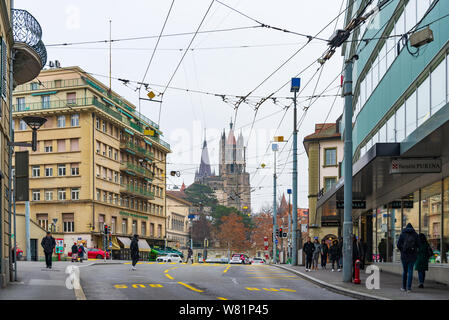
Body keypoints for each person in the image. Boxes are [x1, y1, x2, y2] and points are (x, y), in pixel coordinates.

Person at [397, 223, 419, 292]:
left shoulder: (402, 234)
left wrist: (402, 250)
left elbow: (398, 245)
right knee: (410, 271)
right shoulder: (415, 235)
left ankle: (403, 287)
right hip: (412, 256)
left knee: (405, 271)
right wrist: (415, 251)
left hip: (404, 256)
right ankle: (409, 288)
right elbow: (419, 245)